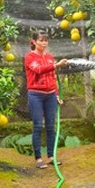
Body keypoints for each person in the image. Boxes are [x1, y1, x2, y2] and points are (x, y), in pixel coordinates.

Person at [24, 30, 67, 169]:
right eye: (41, 40)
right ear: (34, 42)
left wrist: (57, 95)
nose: (44, 43)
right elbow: (39, 70)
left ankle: (51, 156)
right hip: (35, 95)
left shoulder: (49, 57)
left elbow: (53, 77)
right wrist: (56, 65)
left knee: (50, 127)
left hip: (50, 95)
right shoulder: (29, 57)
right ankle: (38, 159)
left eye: (46, 40)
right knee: (37, 126)